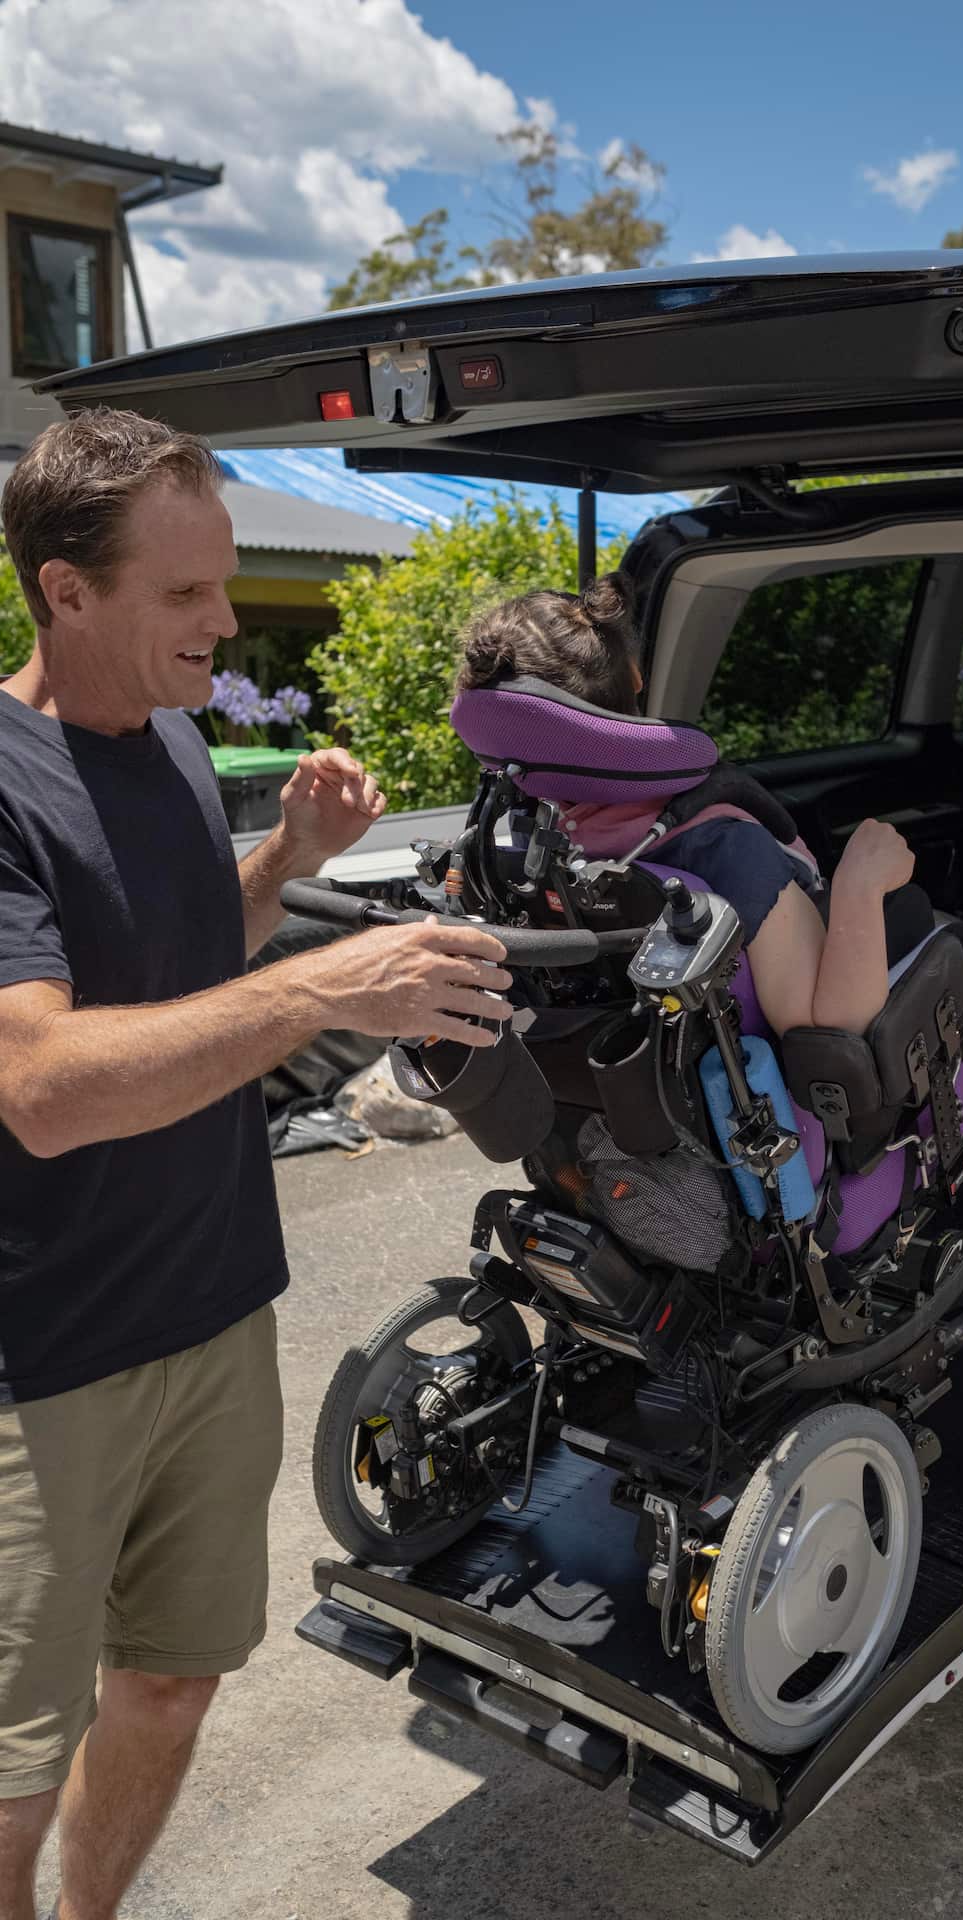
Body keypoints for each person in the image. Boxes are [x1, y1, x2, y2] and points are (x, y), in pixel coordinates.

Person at [0, 409, 511, 1920]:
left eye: (223, 586)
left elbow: (172, 964)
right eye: (185, 595)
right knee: (15, 1771)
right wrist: (320, 991)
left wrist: (281, 866)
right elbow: (37, 1085)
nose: (223, 625)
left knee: (166, 1688)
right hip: (42, 1361)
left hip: (215, 1310)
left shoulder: (165, 738)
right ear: (62, 591)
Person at [454, 574, 915, 1039]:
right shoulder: (721, 845)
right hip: (753, 1088)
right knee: (926, 919)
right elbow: (824, 1028)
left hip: (615, 1079)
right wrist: (862, 883)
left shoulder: (514, 848)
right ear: (636, 676)